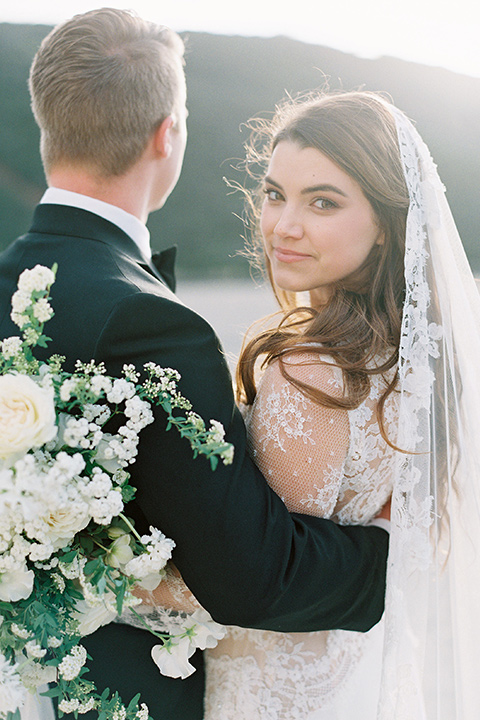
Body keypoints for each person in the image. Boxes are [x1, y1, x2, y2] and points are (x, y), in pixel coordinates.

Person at [0, 10, 391, 720]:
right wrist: (404, 561)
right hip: (119, 698)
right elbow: (248, 575)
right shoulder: (154, 324)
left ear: (45, 119)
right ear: (167, 134)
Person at [156, 90, 479, 718]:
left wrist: (96, 563)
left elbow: (254, 575)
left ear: (387, 224)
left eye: (323, 202)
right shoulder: (405, 358)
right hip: (347, 674)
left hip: (272, 689)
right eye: (274, 194)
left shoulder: (311, 368)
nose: (284, 225)